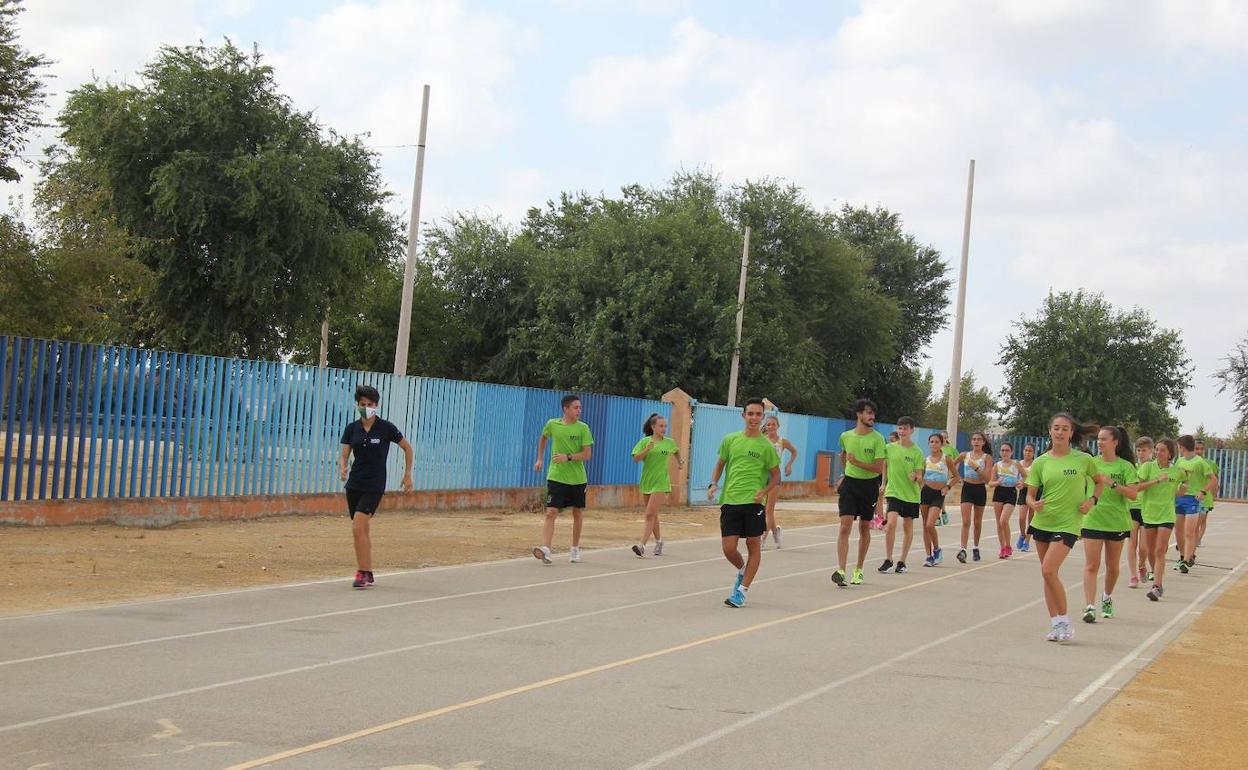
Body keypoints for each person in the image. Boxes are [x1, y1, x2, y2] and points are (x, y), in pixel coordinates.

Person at [1025, 413, 1103, 642]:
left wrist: (1092, 501)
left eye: (1064, 428)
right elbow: (1029, 495)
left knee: (1049, 569)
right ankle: (1056, 624)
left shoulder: (1083, 459)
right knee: (1048, 575)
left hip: (1068, 523)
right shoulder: (1041, 462)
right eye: (1056, 428)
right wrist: (1033, 503)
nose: (1059, 432)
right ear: (1050, 431)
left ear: (1071, 433)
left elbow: (1099, 483)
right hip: (1042, 521)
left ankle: (1066, 622)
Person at [338, 384, 414, 589]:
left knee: (358, 526)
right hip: (354, 484)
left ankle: (361, 573)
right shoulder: (351, 428)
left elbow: (407, 448)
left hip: (374, 484)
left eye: (370, 404)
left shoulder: (386, 428)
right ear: (357, 405)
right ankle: (368, 571)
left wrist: (407, 475)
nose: (366, 408)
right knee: (361, 529)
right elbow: (344, 454)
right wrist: (343, 468)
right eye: (362, 404)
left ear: (376, 405)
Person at [707, 397, 781, 607]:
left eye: (758, 414)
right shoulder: (730, 440)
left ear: (763, 417)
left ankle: (741, 592)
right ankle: (743, 570)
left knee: (753, 546)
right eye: (751, 414)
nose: (754, 418)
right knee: (729, 548)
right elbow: (720, 464)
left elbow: (776, 477)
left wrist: (764, 491)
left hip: (754, 503)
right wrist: (713, 484)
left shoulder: (767, 447)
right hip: (730, 500)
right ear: (743, 415)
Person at [1079, 426, 1139, 623]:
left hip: (1117, 521)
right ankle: (1089, 606)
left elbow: (1133, 494)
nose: (1100, 442)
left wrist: (1112, 483)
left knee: (1112, 567)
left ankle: (1106, 597)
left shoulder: (1126, 467)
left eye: (1104, 439)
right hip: (1093, 518)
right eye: (1098, 439)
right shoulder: (1091, 463)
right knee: (1091, 564)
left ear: (1115, 442)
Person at [533, 395, 594, 565]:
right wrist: (539, 458)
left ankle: (574, 548)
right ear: (565, 409)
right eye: (576, 407)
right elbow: (543, 437)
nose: (579, 411)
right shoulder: (553, 424)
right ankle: (546, 549)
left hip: (577, 479)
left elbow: (587, 454)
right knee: (551, 512)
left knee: (577, 512)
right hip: (556, 476)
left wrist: (567, 457)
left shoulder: (583, 428)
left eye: (580, 407)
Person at [832, 399, 887, 587]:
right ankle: (841, 570)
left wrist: (856, 463)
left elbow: (879, 468)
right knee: (845, 526)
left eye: (873, 413)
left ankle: (859, 569)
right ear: (859, 414)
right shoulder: (846, 436)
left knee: (864, 527)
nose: (872, 416)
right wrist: (844, 473)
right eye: (868, 412)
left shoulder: (878, 438)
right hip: (850, 485)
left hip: (869, 486)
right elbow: (843, 455)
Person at [1136, 438, 1186, 601]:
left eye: (1162, 450)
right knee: (1149, 550)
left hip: (1166, 514)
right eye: (1156, 449)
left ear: (1170, 453)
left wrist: (1182, 489)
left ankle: (1157, 585)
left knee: (1160, 550)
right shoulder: (1147, 467)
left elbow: (1179, 491)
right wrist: (1156, 480)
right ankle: (1154, 572)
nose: (1158, 453)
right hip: (1149, 513)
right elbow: (1137, 487)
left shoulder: (1177, 471)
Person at [878, 416, 924, 574]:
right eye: (900, 428)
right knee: (890, 524)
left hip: (911, 495)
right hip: (893, 492)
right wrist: (883, 483)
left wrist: (916, 477)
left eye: (905, 428)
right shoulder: (890, 447)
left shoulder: (917, 452)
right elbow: (884, 464)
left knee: (907, 526)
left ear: (911, 430)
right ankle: (888, 559)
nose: (902, 431)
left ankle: (902, 561)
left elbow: (920, 477)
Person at [631, 413, 681, 558]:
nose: (664, 428)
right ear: (653, 427)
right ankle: (659, 541)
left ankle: (641, 545)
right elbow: (636, 459)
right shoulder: (645, 441)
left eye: (665, 426)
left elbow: (676, 451)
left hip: (661, 483)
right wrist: (647, 449)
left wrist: (680, 462)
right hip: (647, 481)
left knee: (649, 514)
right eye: (661, 426)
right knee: (653, 515)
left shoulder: (669, 442)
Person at [1174, 435, 1215, 572]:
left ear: (1182, 447)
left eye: (1179, 447)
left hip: (1193, 499)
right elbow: (1175, 478)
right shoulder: (1179, 461)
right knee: (1178, 531)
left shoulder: (1200, 462)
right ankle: (1182, 556)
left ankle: (1186, 560)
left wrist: (1203, 491)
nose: (1178, 449)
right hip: (1179, 498)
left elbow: (1213, 480)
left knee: (1189, 532)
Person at [954, 432, 993, 562]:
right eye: (974, 439)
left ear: (983, 442)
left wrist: (976, 468)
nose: (976, 442)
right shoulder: (964, 455)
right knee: (966, 521)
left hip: (980, 489)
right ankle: (963, 549)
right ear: (971, 442)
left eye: (979, 440)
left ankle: (975, 547)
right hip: (967, 488)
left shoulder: (987, 458)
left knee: (977, 522)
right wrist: (955, 476)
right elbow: (950, 464)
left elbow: (988, 479)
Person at [760, 415, 798, 548]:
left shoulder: (782, 441)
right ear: (765, 426)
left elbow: (794, 451)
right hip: (762, 476)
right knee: (764, 509)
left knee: (769, 510)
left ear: (777, 426)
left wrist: (789, 465)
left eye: (773, 424)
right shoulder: (762, 440)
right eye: (768, 424)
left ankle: (763, 538)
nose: (770, 427)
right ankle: (776, 532)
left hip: (775, 476)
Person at [921, 433, 957, 567]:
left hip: (938, 494)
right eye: (931, 442)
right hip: (926, 493)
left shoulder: (946, 459)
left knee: (930, 524)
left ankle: (937, 549)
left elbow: (956, 477)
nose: (934, 444)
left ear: (942, 444)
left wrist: (947, 487)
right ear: (929, 444)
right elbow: (922, 476)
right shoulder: (926, 459)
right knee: (925, 525)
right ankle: (928, 556)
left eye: (937, 442)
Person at [989, 442, 1024, 559]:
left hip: (1011, 493)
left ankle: (1008, 545)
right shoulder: (997, 465)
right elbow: (990, 483)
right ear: (1000, 452)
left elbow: (1027, 475)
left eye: (1007, 450)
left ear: (1011, 452)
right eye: (1003, 450)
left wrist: (1021, 482)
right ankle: (1002, 547)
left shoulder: (1016, 464)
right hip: (999, 493)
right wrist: (997, 482)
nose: (1004, 452)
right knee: (999, 523)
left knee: (1004, 520)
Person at [1127, 437, 1153, 588]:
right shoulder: (1132, 467)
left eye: (1144, 450)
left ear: (1151, 451)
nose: (1141, 453)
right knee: (1132, 542)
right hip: (1132, 507)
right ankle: (1132, 575)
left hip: (1147, 509)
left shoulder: (1151, 468)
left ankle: (1142, 564)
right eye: (1139, 450)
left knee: (1144, 547)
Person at [1194, 439, 1219, 548]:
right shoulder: (1189, 462)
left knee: (1200, 521)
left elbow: (1215, 480)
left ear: (1204, 450)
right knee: (1193, 522)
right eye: (1196, 449)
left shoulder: (1210, 464)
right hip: (1192, 496)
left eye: (1201, 449)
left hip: (1205, 497)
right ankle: (1193, 540)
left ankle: (1197, 540)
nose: (1199, 451)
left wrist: (1213, 495)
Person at [1015, 443, 1037, 552]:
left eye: (1030, 451)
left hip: (1033, 491)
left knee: (1031, 518)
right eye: (1026, 450)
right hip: (1023, 492)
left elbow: (1036, 481)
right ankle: (1022, 535)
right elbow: (1014, 476)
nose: (1027, 452)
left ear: (1033, 453)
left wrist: (1026, 484)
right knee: (1021, 517)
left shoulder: (1036, 464)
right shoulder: (1019, 464)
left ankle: (1027, 541)